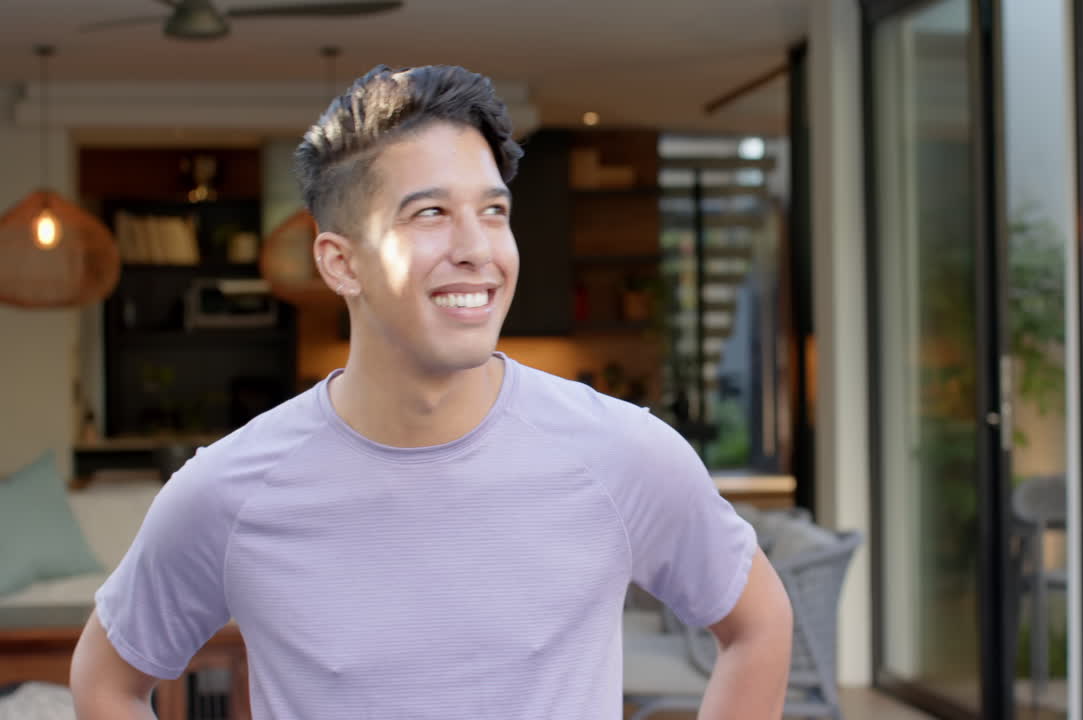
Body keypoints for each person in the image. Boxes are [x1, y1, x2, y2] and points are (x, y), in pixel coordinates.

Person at [69, 64, 793, 719]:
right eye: (431, 214)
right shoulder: (227, 490)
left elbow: (758, 624)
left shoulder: (621, 452)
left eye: (494, 211)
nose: (477, 248)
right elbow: (106, 682)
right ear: (340, 263)